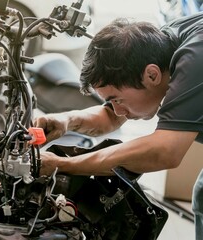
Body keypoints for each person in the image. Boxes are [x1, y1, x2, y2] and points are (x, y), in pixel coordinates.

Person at [34, 12, 203, 239]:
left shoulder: (195, 60)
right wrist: (66, 121)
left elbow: (165, 151)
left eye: (117, 99)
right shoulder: (156, 48)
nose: (118, 110)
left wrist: (64, 165)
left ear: (152, 75)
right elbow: (112, 117)